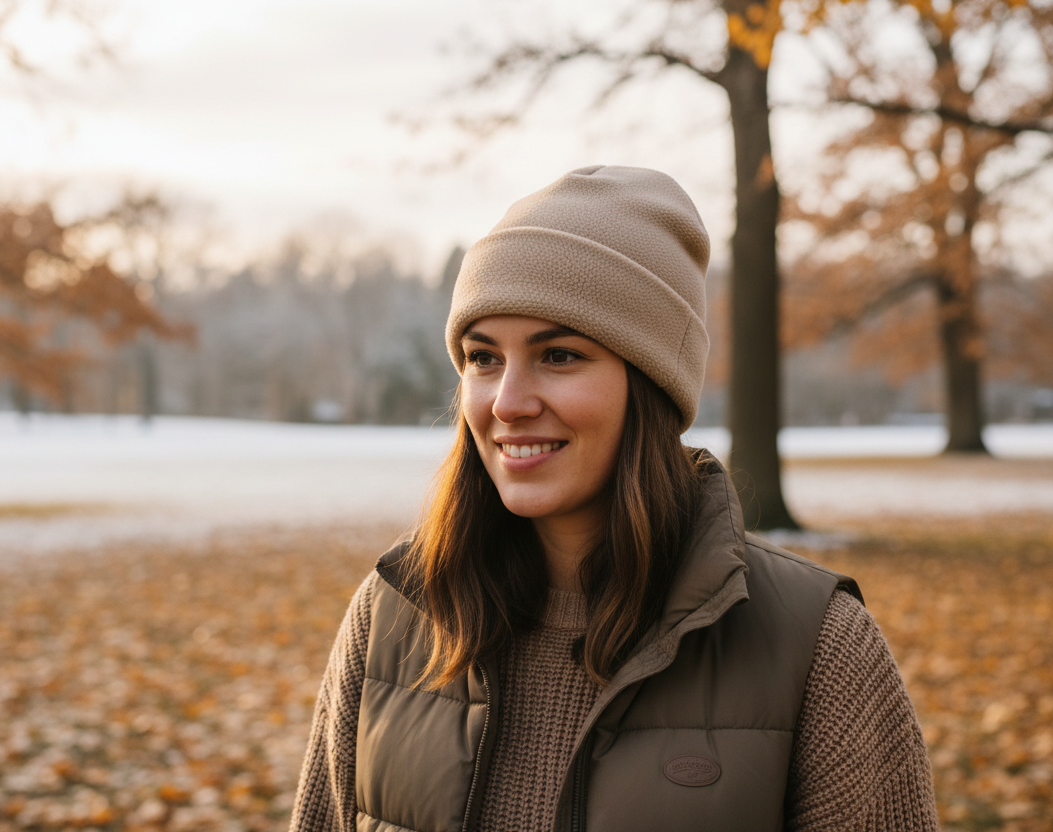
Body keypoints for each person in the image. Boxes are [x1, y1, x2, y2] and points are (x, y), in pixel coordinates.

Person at [289, 166, 938, 831]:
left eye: (560, 356)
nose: (508, 403)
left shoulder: (817, 646)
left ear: (652, 385)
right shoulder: (394, 616)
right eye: (483, 358)